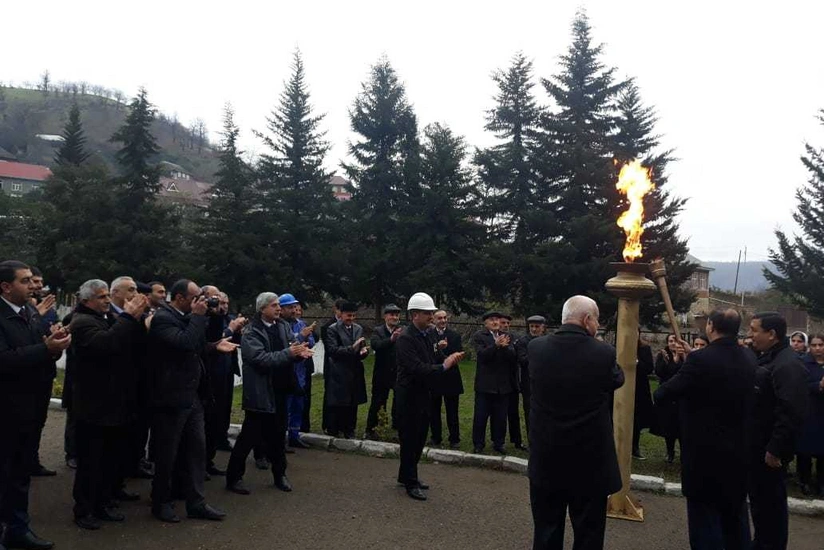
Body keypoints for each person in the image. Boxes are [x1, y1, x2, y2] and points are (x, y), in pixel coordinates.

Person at [654, 309, 755, 550]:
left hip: (705, 455)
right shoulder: (749, 357)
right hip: (738, 452)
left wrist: (688, 365)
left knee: (705, 523)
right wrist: (693, 357)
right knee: (735, 519)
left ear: (710, 326)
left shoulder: (701, 361)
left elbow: (663, 393)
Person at [528, 295, 623, 550]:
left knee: (547, 528)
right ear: (587, 319)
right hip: (589, 460)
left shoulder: (536, 349)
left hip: (547, 456)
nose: (598, 326)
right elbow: (617, 379)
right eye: (597, 320)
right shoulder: (603, 352)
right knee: (589, 532)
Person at [147, 279, 232, 523]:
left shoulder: (188, 317)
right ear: (181, 298)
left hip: (192, 395)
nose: (201, 302)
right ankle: (160, 501)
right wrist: (197, 316)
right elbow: (184, 344)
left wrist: (215, 339)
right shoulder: (163, 318)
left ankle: (196, 502)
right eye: (196, 298)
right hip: (170, 396)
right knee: (167, 453)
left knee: (197, 450)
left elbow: (198, 344)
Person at [0, 260, 71, 550]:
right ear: (6, 287)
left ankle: (18, 530)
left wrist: (53, 346)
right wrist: (45, 348)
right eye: (25, 281)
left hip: (26, 407)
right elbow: (4, 360)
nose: (33, 285)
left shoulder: (29, 311)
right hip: (4, 409)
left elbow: (35, 351)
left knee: (19, 475)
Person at [69, 279, 150, 530]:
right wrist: (127, 317)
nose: (106, 301)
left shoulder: (103, 318)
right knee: (91, 463)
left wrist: (136, 320)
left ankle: (103, 503)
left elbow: (128, 343)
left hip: (113, 402)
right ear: (86, 301)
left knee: (108, 460)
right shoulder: (82, 322)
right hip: (93, 407)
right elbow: (107, 344)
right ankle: (84, 510)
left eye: (107, 296)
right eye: (101, 297)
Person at [225, 293, 312, 495]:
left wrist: (300, 354)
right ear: (262, 308)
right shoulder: (251, 331)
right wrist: (290, 353)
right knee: (249, 436)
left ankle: (280, 474)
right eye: (274, 306)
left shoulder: (282, 326)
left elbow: (291, 346)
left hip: (280, 390)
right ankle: (234, 477)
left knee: (278, 436)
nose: (278, 309)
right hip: (260, 392)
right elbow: (260, 359)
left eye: (278, 306)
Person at [747, 312, 809, 550]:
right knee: (761, 506)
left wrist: (775, 448)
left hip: (769, 453)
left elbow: (791, 411)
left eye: (754, 330)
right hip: (758, 447)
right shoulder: (769, 358)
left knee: (771, 506)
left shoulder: (788, 364)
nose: (750, 336)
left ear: (771, 334)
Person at [395, 293, 464, 501]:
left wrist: (447, 358)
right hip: (409, 395)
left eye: (432, 313)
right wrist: (443, 366)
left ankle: (405, 475)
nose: (432, 317)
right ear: (415, 315)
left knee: (420, 437)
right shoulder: (405, 338)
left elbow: (433, 357)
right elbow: (416, 368)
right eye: (428, 313)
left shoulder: (430, 334)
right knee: (410, 439)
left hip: (425, 393)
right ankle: (411, 481)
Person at [201, 285, 246, 476]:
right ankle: (199, 464)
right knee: (205, 422)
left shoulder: (221, 318)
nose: (220, 305)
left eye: (223, 302)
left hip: (224, 374)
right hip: (207, 376)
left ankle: (208, 460)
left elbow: (233, 343)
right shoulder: (200, 320)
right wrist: (230, 328)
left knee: (218, 417)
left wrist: (236, 330)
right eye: (216, 300)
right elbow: (211, 342)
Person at [472, 311, 516, 454]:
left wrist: (504, 348)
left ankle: (499, 443)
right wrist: (495, 346)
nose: (496, 322)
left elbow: (512, 357)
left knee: (500, 417)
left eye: (497, 319)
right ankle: (478, 443)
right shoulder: (480, 336)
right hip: (485, 384)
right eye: (492, 320)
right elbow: (482, 356)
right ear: (486, 323)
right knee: (481, 416)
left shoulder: (507, 337)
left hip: (502, 385)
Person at [323, 301, 369, 438]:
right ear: (341, 314)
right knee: (339, 402)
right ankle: (334, 429)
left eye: (354, 316)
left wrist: (363, 352)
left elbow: (360, 347)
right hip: (339, 370)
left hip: (355, 370)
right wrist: (352, 348)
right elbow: (332, 350)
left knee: (353, 401)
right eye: (348, 315)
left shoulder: (358, 328)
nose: (351, 319)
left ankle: (350, 429)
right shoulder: (332, 329)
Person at [279, 293, 315, 449]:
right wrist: (301, 337)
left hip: (300, 371)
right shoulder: (280, 326)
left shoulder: (301, 324)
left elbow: (311, 342)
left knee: (298, 406)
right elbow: (286, 345)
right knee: (285, 408)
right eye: (290, 307)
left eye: (295, 307)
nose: (294, 310)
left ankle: (295, 436)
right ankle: (282, 439)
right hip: (286, 372)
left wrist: (306, 342)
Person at [365, 304, 402, 440]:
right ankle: (371, 429)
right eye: (391, 314)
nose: (394, 317)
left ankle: (398, 429)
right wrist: (391, 340)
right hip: (382, 372)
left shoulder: (402, 330)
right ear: (385, 316)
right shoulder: (378, 331)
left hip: (398, 372)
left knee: (399, 402)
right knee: (378, 401)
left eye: (397, 315)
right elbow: (376, 345)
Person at [428, 309, 464, 448]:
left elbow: (458, 353)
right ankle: (435, 438)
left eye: (444, 318)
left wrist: (449, 356)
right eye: (439, 318)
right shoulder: (429, 335)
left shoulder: (454, 335)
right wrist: (437, 347)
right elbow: (426, 353)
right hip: (435, 376)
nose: (443, 321)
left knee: (452, 411)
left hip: (451, 377)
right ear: (433, 320)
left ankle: (454, 439)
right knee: (434, 410)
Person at [512, 315, 546, 450]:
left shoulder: (547, 340)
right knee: (530, 413)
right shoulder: (523, 341)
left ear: (543, 328)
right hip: (529, 383)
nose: (534, 329)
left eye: (537, 326)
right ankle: (533, 442)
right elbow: (523, 360)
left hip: (545, 383)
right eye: (532, 326)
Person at [796, 334, 824, 496]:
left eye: (821, 345)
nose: (818, 348)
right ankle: (804, 481)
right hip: (809, 412)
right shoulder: (803, 364)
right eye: (814, 345)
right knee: (805, 451)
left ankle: (821, 483)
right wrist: (818, 386)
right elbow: (800, 384)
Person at [652, 334, 684, 463]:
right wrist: (674, 361)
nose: (672, 343)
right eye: (670, 341)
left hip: (680, 396)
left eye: (675, 340)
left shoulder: (684, 355)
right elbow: (660, 372)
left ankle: (684, 453)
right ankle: (670, 452)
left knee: (681, 427)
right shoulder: (663, 355)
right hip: (667, 395)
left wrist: (678, 358)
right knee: (669, 427)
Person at [320, 299, 345, 436]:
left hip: (344, 366)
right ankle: (328, 425)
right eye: (340, 310)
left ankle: (340, 424)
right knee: (330, 396)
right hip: (331, 364)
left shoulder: (349, 325)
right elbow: (330, 348)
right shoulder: (327, 326)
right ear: (335, 310)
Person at [632, 335, 655, 460]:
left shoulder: (644, 349)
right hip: (622, 386)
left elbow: (649, 368)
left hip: (639, 388)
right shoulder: (617, 346)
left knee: (636, 419)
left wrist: (637, 362)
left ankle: (634, 447)